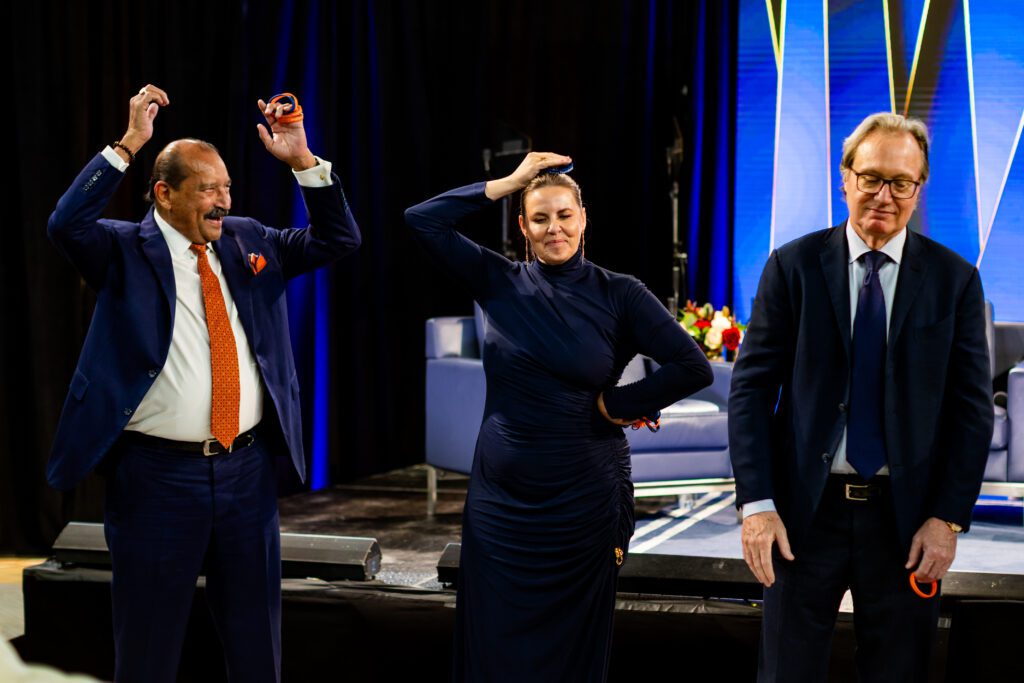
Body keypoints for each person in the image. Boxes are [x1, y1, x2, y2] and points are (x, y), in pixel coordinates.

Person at [45, 85, 361, 682]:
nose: (222, 202)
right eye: (207, 189)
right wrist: (130, 143)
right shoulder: (121, 249)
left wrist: (302, 161)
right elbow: (65, 223)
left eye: (227, 188)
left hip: (246, 473)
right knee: (148, 649)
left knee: (256, 646)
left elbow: (339, 239)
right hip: (155, 478)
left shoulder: (249, 239)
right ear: (164, 193)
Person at [405, 153, 713, 681]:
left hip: (582, 505)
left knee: (571, 654)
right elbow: (422, 220)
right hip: (500, 505)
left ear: (583, 218)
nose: (555, 229)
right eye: (541, 218)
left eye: (565, 215)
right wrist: (509, 182)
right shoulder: (498, 280)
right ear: (523, 227)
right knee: (491, 648)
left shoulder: (620, 293)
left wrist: (620, 404)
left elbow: (692, 367)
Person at [729, 112, 993, 681]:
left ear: (919, 189)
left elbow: (972, 413)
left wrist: (947, 519)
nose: (884, 195)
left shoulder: (955, 281)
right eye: (871, 177)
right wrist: (757, 504)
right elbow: (750, 392)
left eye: (901, 182)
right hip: (801, 517)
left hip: (907, 523)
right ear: (844, 178)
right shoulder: (792, 267)